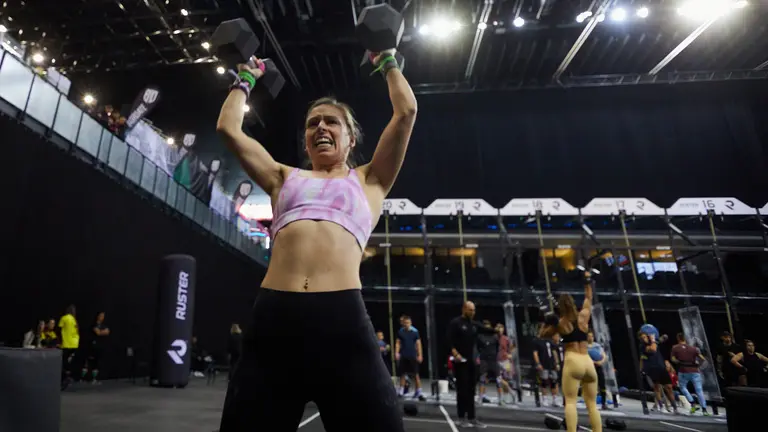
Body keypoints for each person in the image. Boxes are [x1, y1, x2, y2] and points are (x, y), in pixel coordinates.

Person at [216, 48, 417, 432]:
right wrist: (246, 78)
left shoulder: (370, 180)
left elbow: (405, 112)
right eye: (312, 124)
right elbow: (228, 129)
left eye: (331, 122)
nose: (321, 128)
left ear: (350, 136)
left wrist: (387, 61)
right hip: (275, 321)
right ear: (305, 140)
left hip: (341, 321)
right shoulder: (282, 177)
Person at [540, 272, 602, 432]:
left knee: (570, 402)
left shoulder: (560, 323)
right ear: (573, 303)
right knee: (592, 405)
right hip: (587, 362)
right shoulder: (583, 316)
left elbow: (542, 334)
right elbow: (589, 297)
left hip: (572, 360)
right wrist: (587, 280)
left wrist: (546, 320)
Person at [448, 301, 497, 428]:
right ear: (464, 309)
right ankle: (460, 418)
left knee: (471, 390)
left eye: (474, 310)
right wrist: (455, 353)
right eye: (470, 310)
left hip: (471, 362)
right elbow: (449, 341)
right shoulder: (455, 323)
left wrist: (497, 330)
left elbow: (486, 329)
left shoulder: (473, 324)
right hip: (460, 361)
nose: (473, 312)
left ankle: (472, 417)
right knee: (462, 390)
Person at [639, 332, 678, 414]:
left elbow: (664, 338)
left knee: (669, 387)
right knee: (657, 388)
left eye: (645, 337)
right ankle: (661, 406)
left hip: (662, 368)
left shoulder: (654, 342)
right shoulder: (642, 346)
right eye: (642, 338)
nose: (644, 339)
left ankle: (675, 408)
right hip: (652, 369)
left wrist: (661, 338)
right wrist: (642, 370)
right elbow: (653, 349)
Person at [671, 333, 709, 415]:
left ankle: (692, 403)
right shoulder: (694, 349)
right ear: (685, 339)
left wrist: (679, 362)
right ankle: (704, 410)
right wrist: (698, 365)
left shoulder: (675, 348)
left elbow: (673, 359)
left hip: (683, 371)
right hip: (695, 371)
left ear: (678, 338)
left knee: (683, 387)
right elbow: (703, 359)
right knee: (699, 390)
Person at [396, 316, 423, 399]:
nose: (407, 324)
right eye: (405, 323)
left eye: (408, 323)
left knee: (416, 375)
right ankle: (401, 391)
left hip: (412, 356)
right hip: (404, 355)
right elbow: (398, 343)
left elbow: (418, 344)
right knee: (402, 374)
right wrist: (396, 352)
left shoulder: (415, 332)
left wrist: (420, 355)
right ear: (403, 324)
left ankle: (419, 392)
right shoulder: (401, 332)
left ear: (410, 323)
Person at [477, 320, 503, 405]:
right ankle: (480, 398)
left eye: (488, 327)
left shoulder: (495, 337)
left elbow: (497, 348)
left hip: (493, 361)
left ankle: (501, 399)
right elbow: (478, 348)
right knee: (482, 380)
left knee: (498, 380)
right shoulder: (480, 337)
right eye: (486, 327)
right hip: (484, 360)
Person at [533, 326, 559, 407]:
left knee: (553, 381)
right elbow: (535, 353)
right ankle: (544, 398)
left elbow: (554, 352)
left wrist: (557, 363)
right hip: (543, 363)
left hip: (551, 364)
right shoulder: (537, 341)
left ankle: (555, 399)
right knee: (544, 381)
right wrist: (538, 363)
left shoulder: (550, 340)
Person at [81, 312, 110, 383]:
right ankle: (82, 378)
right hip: (92, 347)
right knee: (88, 363)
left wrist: (101, 331)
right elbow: (98, 333)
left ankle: (94, 379)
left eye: (103, 316)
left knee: (96, 364)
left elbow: (107, 332)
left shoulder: (103, 325)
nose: (102, 317)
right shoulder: (93, 325)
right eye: (101, 316)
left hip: (100, 347)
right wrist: (101, 332)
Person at [587, 331, 609, 410]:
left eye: (592, 336)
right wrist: (592, 362)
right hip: (589, 367)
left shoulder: (597, 345)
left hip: (599, 367)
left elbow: (604, 356)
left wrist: (601, 362)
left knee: (602, 384)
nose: (590, 338)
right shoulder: (584, 346)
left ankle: (604, 403)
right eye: (589, 336)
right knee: (591, 386)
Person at [59, 305, 80, 388]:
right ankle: (68, 376)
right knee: (68, 362)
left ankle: (65, 378)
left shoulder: (64, 318)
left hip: (67, 344)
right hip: (75, 344)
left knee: (63, 363)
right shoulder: (74, 320)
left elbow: (59, 328)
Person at [495, 323, 515, 403]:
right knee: (499, 379)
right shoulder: (494, 338)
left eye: (502, 328)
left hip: (506, 361)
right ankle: (511, 392)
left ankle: (506, 397)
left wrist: (510, 355)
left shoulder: (506, 339)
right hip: (497, 360)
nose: (500, 330)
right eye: (499, 328)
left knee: (505, 379)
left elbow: (511, 347)